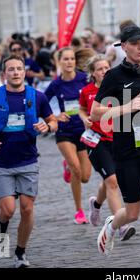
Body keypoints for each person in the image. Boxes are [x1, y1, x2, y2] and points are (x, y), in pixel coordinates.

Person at [92, 26, 140, 268]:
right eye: (135, 43)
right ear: (124, 46)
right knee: (133, 212)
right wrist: (126, 107)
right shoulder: (114, 76)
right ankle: (112, 224)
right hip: (126, 152)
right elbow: (95, 113)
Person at [0, 55, 57, 268]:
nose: (16, 72)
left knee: (27, 209)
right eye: (11, 69)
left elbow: (53, 121)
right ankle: (2, 227)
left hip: (28, 160)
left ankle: (20, 253)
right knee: (8, 210)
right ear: (4, 74)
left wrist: (47, 127)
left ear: (24, 71)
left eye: (19, 68)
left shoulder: (37, 97)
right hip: (2, 162)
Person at [78, 54, 136, 241]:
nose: (104, 71)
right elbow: (81, 109)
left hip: (117, 139)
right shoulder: (87, 91)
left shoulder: (117, 88)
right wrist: (84, 118)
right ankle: (121, 226)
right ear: (93, 73)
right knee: (112, 181)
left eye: (106, 68)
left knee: (109, 179)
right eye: (100, 69)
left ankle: (96, 204)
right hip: (97, 141)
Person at [44, 47, 91, 224]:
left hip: (84, 131)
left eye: (72, 59)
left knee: (85, 176)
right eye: (65, 59)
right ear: (60, 62)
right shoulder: (56, 84)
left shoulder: (83, 79)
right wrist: (55, 117)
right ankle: (79, 211)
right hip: (65, 132)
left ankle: (68, 166)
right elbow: (42, 103)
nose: (69, 62)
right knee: (77, 171)